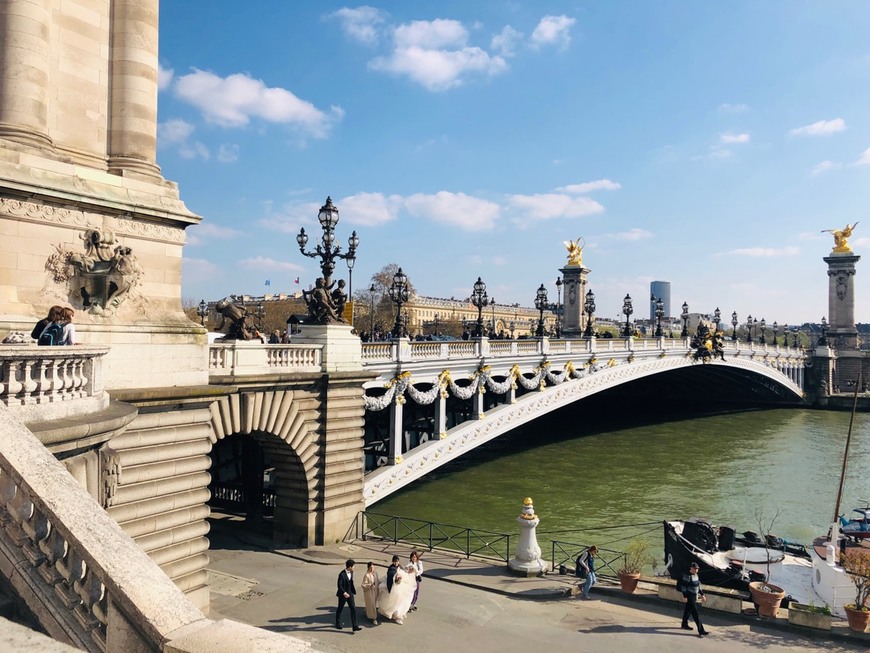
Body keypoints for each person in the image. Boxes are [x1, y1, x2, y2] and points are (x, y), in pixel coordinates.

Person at [378, 555, 415, 624]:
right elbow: (390, 578)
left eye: (397, 561)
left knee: (400, 601)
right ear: (392, 561)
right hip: (394, 588)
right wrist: (396, 580)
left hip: (400, 587)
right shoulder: (391, 569)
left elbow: (404, 573)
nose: (396, 563)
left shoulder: (399, 567)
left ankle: (398, 615)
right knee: (394, 602)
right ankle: (396, 615)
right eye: (394, 561)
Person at [678, 562, 709, 637]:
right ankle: (701, 631)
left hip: (694, 595)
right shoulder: (687, 576)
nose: (696, 570)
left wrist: (702, 595)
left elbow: (698, 586)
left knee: (688, 610)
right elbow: (683, 587)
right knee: (695, 614)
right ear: (691, 568)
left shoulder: (696, 576)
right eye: (695, 569)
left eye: (697, 569)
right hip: (689, 596)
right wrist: (685, 596)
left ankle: (684, 624)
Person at [335, 559, 361, 631]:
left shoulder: (351, 572)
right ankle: (337, 623)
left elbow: (350, 581)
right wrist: (344, 593)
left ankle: (354, 625)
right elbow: (339, 585)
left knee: (353, 609)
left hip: (350, 593)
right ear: (349, 567)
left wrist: (351, 591)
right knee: (340, 608)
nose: (354, 568)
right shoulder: (342, 574)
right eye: (353, 566)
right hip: (343, 594)